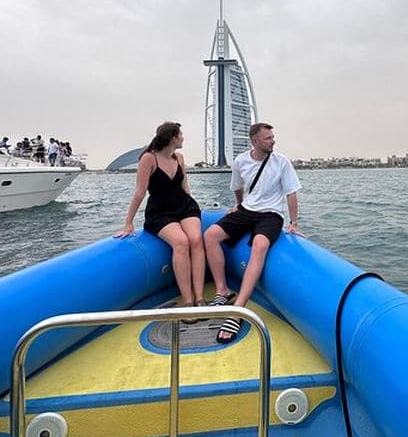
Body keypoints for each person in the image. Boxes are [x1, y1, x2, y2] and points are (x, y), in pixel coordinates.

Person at [204, 122, 302, 343]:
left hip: (271, 214)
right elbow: (237, 186)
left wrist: (294, 222)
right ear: (255, 141)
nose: (273, 141)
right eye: (268, 138)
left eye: (272, 137)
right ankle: (222, 290)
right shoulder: (241, 161)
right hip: (248, 209)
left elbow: (291, 194)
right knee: (210, 235)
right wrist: (239, 205)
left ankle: (238, 309)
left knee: (259, 245)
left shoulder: (281, 162)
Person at [114, 122, 206, 315]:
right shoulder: (148, 159)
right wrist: (128, 223)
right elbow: (139, 193)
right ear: (172, 137)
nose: (182, 138)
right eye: (180, 135)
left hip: (184, 206)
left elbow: (185, 188)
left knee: (196, 239)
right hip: (160, 212)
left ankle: (200, 298)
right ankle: (188, 301)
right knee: (181, 242)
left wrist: (195, 208)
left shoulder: (179, 158)